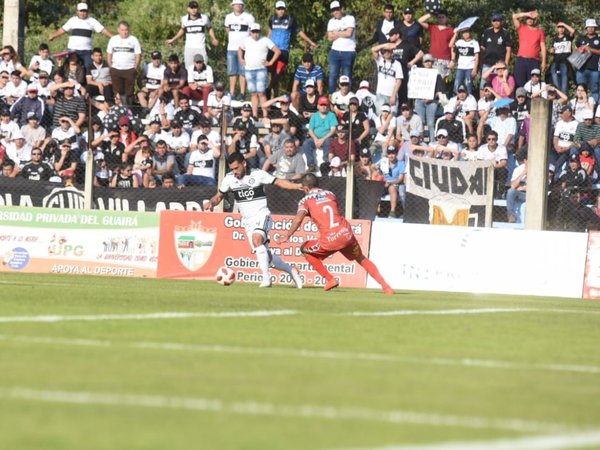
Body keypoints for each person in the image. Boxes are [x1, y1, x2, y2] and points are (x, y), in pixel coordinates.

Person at [277, 172, 394, 294]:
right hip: (346, 233)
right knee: (361, 258)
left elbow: (298, 219)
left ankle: (330, 279)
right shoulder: (330, 194)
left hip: (330, 239)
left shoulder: (305, 200)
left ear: (305, 188)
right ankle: (386, 287)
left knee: (304, 249)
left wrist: (287, 235)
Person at [207, 151, 303, 288]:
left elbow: (279, 182)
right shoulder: (229, 179)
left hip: (262, 215)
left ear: (244, 164)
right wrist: (211, 203)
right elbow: (218, 197)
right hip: (247, 221)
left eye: (236, 168)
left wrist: (296, 186)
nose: (234, 172)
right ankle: (292, 271)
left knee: (257, 239)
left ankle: (266, 279)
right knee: (267, 257)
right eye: (232, 169)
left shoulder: (258, 174)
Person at [267, 1, 318, 96]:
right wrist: (264, 44)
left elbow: (299, 32)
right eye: (279, 9)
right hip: (272, 49)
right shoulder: (272, 19)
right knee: (273, 74)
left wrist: (311, 42)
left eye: (282, 9)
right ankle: (276, 97)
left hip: (283, 50)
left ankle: (268, 89)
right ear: (276, 10)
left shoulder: (290, 20)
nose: (281, 11)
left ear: (285, 9)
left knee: (278, 72)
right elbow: (270, 32)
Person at [47, 2, 113, 68]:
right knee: (68, 68)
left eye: (84, 11)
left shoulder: (92, 21)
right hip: (72, 50)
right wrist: (53, 35)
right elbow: (62, 30)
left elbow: (103, 30)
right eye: (81, 11)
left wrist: (114, 37)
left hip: (86, 51)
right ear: (77, 11)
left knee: (88, 68)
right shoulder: (72, 20)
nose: (82, 13)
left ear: (87, 12)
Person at [238, 23, 281, 119]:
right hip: (249, 70)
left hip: (261, 70)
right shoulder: (246, 41)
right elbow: (240, 49)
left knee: (261, 93)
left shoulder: (265, 40)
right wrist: (241, 59)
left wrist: (270, 62)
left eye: (257, 31)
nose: (255, 34)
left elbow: (277, 51)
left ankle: (265, 115)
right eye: (253, 32)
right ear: (250, 32)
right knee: (253, 93)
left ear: (260, 32)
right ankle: (254, 115)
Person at [165, 0, 219, 67]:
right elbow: (182, 30)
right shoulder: (184, 19)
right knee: (189, 68)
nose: (193, 10)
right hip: (189, 48)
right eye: (191, 8)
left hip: (201, 47)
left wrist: (214, 38)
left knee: (203, 67)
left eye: (195, 8)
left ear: (198, 9)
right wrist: (173, 40)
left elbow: (209, 28)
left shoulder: (204, 18)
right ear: (188, 9)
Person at [224, 0, 255, 100]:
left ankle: (242, 94)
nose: (238, 6)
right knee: (232, 72)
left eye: (240, 4)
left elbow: (252, 32)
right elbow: (227, 29)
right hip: (231, 48)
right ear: (232, 6)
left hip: (244, 49)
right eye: (236, 4)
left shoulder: (249, 17)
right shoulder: (228, 17)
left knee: (243, 72)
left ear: (243, 6)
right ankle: (232, 93)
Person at [106, 21, 142, 106]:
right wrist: (111, 67)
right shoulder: (113, 39)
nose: (125, 32)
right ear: (118, 30)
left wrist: (135, 67)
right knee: (117, 92)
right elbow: (109, 54)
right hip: (116, 70)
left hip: (129, 70)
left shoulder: (133, 39)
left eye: (126, 30)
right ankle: (119, 111)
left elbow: (138, 54)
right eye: (122, 30)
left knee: (129, 92)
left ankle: (129, 112)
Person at [327, 0, 357, 94]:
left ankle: (348, 98)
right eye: (333, 10)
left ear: (342, 9)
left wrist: (335, 32)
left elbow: (349, 33)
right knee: (332, 75)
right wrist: (342, 33)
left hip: (348, 51)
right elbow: (330, 38)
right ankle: (331, 96)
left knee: (346, 76)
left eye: (337, 9)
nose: (335, 12)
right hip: (335, 51)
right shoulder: (331, 21)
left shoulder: (350, 18)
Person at [511, 10, 546, 88]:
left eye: (532, 18)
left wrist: (544, 61)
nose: (530, 20)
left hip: (534, 61)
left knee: (534, 85)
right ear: (525, 19)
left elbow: (543, 47)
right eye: (528, 18)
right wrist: (527, 13)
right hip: (521, 60)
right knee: (519, 84)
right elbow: (514, 16)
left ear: (534, 20)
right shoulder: (521, 28)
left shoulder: (540, 32)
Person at [302, 96, 338, 170]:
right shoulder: (314, 115)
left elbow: (333, 130)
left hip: (327, 137)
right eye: (321, 105)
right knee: (306, 143)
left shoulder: (332, 115)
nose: (323, 107)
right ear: (318, 106)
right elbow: (310, 130)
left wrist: (322, 139)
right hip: (315, 138)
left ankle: (326, 162)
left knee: (328, 142)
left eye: (325, 105)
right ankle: (311, 165)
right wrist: (315, 139)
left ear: (328, 106)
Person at [479, 13, 512, 93]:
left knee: (498, 84)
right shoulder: (487, 31)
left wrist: (506, 64)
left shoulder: (505, 33)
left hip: (500, 65)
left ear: (501, 22)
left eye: (498, 20)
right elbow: (482, 47)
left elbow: (508, 49)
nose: (496, 22)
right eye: (494, 20)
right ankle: (482, 104)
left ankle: (497, 103)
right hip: (487, 63)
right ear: (491, 22)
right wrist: (480, 61)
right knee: (483, 85)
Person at [418, 9, 454, 81]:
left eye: (442, 17)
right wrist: (431, 14)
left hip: (444, 59)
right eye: (439, 17)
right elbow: (420, 21)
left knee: (440, 82)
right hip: (432, 59)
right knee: (430, 81)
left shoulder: (451, 30)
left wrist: (452, 60)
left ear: (446, 18)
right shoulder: (433, 28)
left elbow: (453, 47)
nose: (441, 19)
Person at [370, 43, 403, 113]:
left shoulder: (397, 64)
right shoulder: (380, 60)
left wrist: (394, 95)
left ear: (392, 52)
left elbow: (399, 81)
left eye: (389, 51)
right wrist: (385, 45)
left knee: (392, 117)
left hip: (391, 95)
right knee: (380, 116)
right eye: (385, 51)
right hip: (380, 94)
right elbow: (373, 49)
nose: (387, 53)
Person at [575, 19, 600, 104]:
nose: (590, 29)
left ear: (595, 28)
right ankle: (581, 108)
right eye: (588, 27)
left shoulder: (599, 39)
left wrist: (590, 49)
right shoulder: (580, 39)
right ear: (586, 28)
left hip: (595, 68)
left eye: (592, 27)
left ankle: (595, 110)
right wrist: (579, 50)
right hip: (581, 68)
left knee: (595, 89)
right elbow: (574, 51)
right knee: (581, 89)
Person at [449, 27, 480, 95]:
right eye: (463, 32)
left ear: (470, 32)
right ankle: (454, 100)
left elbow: (477, 57)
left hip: (470, 68)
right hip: (460, 67)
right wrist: (456, 33)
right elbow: (450, 45)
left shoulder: (474, 43)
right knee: (457, 85)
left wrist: (475, 68)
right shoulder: (459, 42)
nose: (465, 34)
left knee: (468, 85)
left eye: (467, 32)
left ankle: (469, 101)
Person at [549, 22, 575, 95]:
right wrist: (551, 51)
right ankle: (557, 98)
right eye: (559, 27)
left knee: (564, 84)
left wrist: (564, 24)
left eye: (562, 27)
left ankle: (564, 100)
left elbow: (573, 31)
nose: (561, 29)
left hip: (565, 62)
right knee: (556, 84)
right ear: (557, 29)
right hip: (555, 62)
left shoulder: (568, 37)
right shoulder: (554, 39)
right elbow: (552, 50)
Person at [506, 147, 528, 223]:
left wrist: (522, 188)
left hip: (532, 195)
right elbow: (513, 186)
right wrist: (524, 173)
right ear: (524, 160)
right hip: (521, 194)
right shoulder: (518, 169)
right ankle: (511, 215)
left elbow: (537, 188)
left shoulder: (537, 169)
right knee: (510, 191)